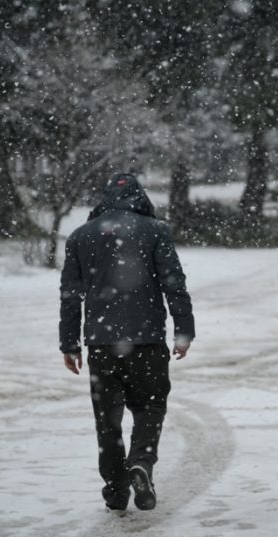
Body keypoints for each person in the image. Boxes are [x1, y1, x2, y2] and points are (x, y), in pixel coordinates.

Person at [59, 173, 194, 513]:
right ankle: (142, 463)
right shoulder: (155, 231)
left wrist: (69, 343)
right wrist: (183, 330)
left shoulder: (80, 236)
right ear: (140, 197)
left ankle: (116, 489)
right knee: (150, 406)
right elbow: (174, 284)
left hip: (102, 345)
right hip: (147, 340)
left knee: (107, 419)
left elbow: (70, 296)